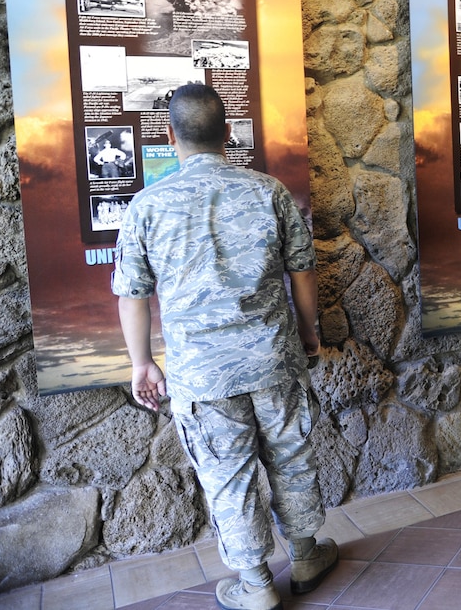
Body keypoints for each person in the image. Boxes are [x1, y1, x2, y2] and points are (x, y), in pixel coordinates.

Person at [111, 83, 337, 610]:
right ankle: (305, 556)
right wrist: (308, 332)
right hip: (274, 359)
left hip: (203, 375)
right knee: (292, 457)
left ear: (170, 137)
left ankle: (256, 585)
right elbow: (303, 273)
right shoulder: (269, 192)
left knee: (228, 476)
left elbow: (132, 296)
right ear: (228, 132)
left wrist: (142, 363)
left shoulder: (146, 206)